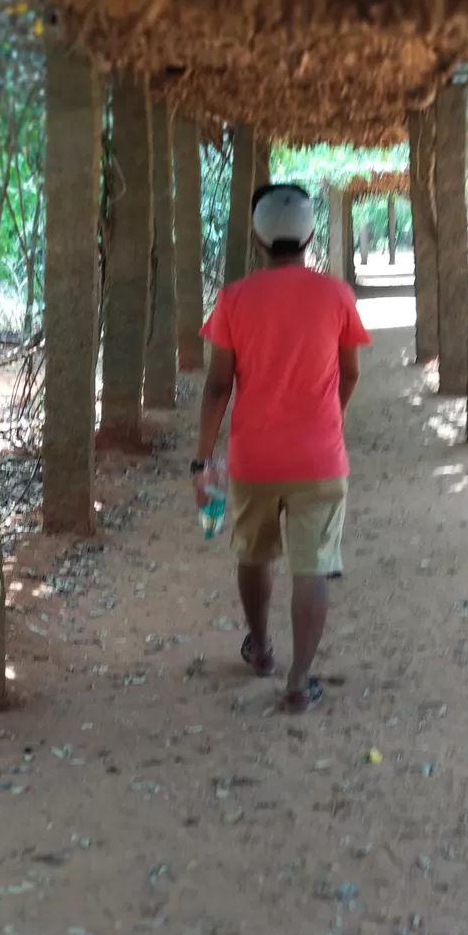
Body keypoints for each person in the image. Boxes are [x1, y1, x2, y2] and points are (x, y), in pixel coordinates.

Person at [191, 183, 372, 712]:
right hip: (320, 458)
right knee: (313, 566)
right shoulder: (336, 295)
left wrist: (203, 459)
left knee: (254, 553)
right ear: (311, 235)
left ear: (257, 237)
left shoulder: (235, 299)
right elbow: (351, 371)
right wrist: (328, 420)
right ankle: (299, 678)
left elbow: (219, 385)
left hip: (255, 458)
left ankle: (263, 650)